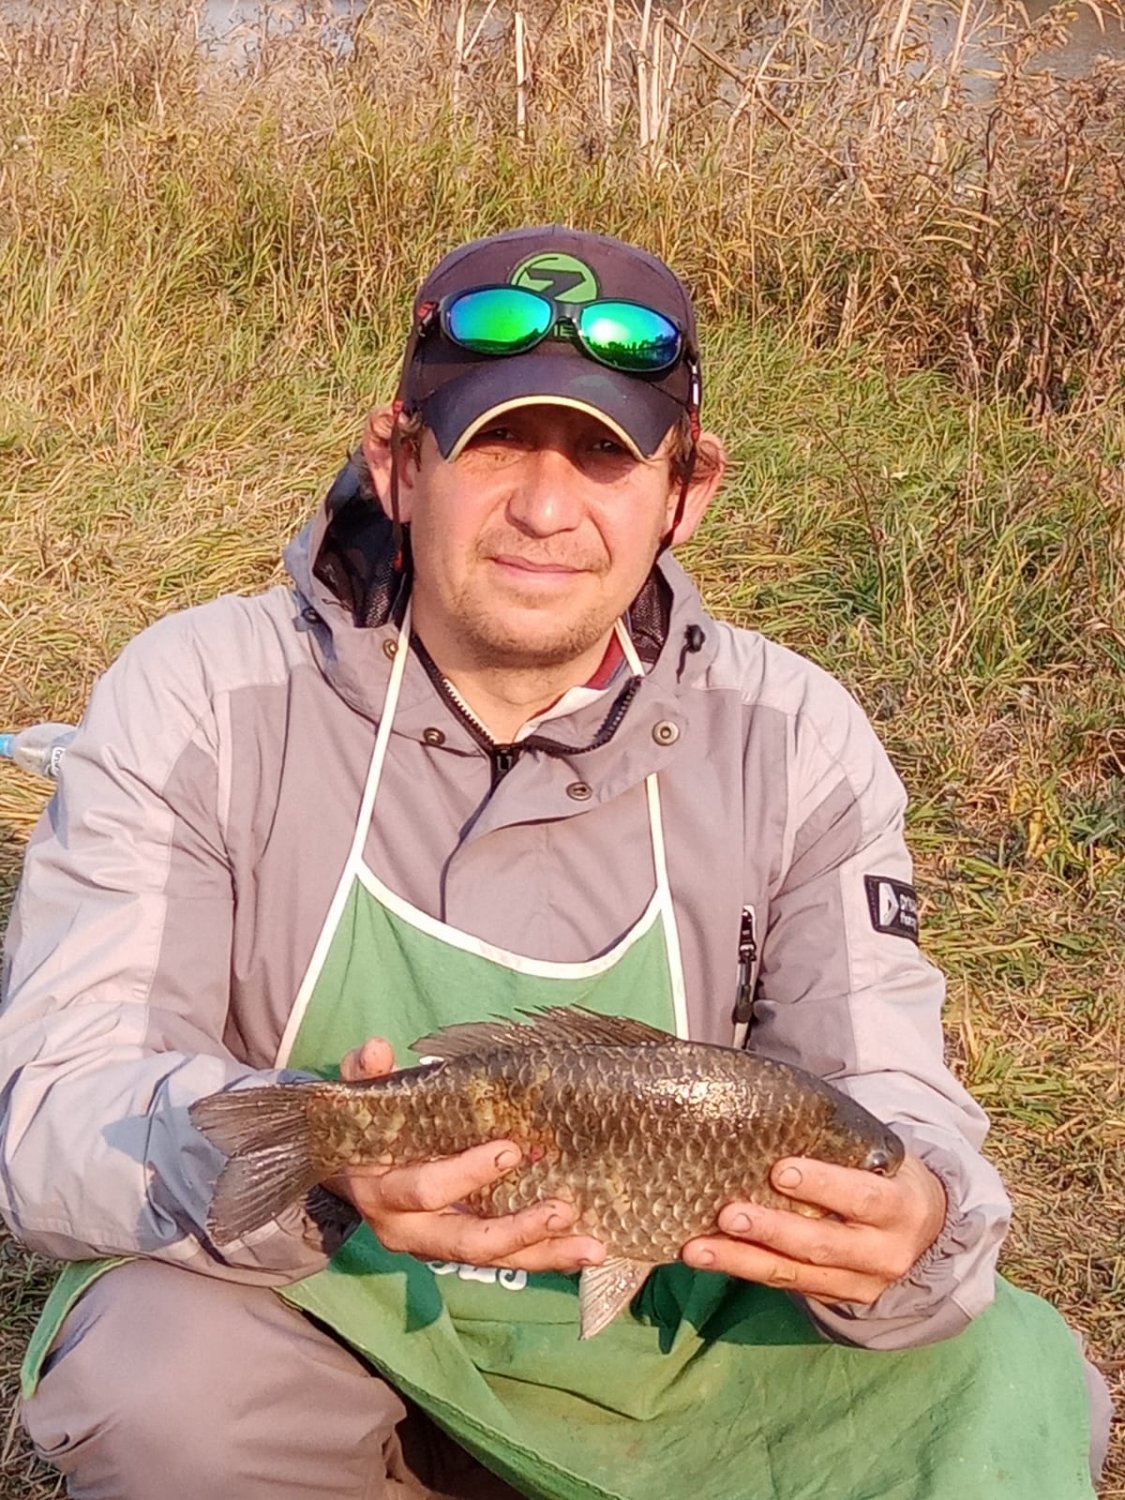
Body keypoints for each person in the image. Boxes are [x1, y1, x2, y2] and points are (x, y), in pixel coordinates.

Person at [0, 226, 1110, 1500]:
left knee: (1016, 1378)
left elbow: (896, 1099)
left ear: (685, 492)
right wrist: (333, 1166)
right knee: (159, 1382)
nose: (543, 507)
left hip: (667, 1356)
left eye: (605, 457)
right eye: (494, 446)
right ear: (398, 464)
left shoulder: (798, 739)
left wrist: (917, 1224)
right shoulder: (201, 695)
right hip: (316, 1312)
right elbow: (53, 1113)